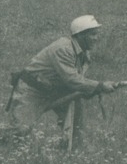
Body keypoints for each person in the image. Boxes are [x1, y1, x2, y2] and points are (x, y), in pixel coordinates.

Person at [6, 15, 119, 148]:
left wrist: (95, 89)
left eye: (96, 34)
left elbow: (77, 81)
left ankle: (71, 152)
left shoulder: (84, 54)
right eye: (93, 35)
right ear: (81, 35)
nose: (96, 38)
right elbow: (72, 80)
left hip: (56, 89)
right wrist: (99, 86)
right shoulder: (63, 48)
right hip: (32, 90)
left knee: (76, 125)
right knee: (20, 131)